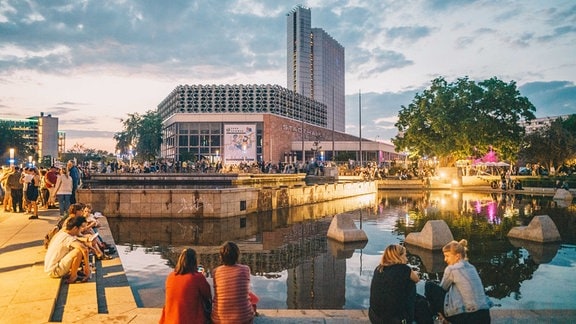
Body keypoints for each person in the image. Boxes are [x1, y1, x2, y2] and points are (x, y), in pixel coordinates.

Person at [425, 240, 492, 324]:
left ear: (457, 256)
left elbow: (442, 289)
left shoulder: (452, 269)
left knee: (429, 286)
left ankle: (437, 318)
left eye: (447, 256)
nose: (445, 259)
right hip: (485, 316)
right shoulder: (472, 268)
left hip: (466, 318)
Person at [369, 244, 419, 324]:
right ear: (398, 256)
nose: (406, 259)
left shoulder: (378, 269)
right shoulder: (404, 269)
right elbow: (416, 279)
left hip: (374, 317)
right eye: (405, 256)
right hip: (394, 320)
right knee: (411, 284)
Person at [160, 248, 212, 324]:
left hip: (169, 321)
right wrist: (202, 277)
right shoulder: (197, 277)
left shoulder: (170, 276)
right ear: (194, 262)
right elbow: (208, 295)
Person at [211, 241, 256, 324]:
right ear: (237, 255)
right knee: (251, 302)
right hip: (243, 319)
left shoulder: (215, 272)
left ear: (221, 257)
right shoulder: (245, 269)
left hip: (219, 320)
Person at [44, 215, 91, 283]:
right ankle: (73, 276)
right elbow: (84, 250)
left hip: (51, 268)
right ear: (75, 228)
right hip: (54, 270)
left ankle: (73, 273)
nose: (82, 230)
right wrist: (87, 270)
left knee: (78, 248)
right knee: (78, 251)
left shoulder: (63, 233)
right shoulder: (67, 237)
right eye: (81, 228)